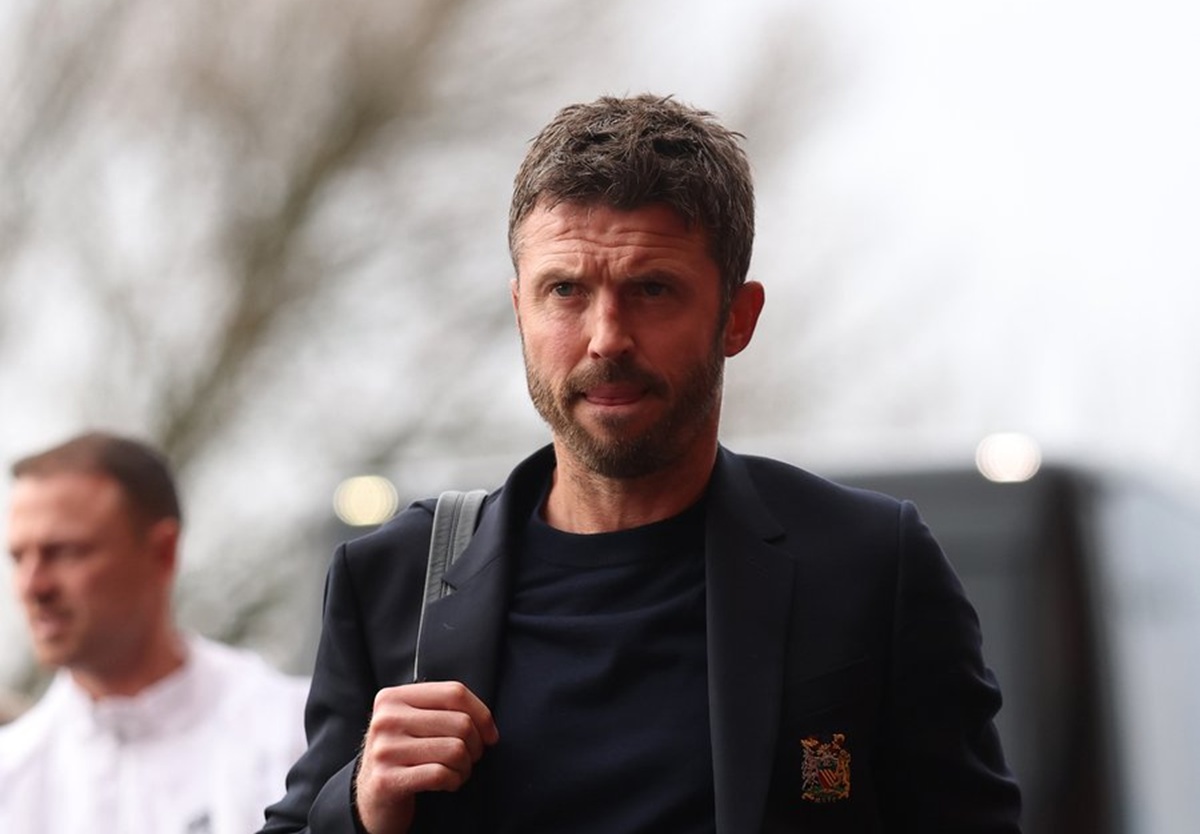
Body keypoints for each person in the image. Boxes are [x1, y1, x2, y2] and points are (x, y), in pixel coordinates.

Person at [261, 94, 1022, 833]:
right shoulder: (392, 581)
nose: (607, 338)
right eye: (566, 290)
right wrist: (360, 807)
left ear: (737, 317)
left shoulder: (869, 566)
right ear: (520, 310)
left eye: (652, 289)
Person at [0, 431, 310, 834]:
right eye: (18, 558)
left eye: (65, 551)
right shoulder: (12, 775)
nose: (33, 586)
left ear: (163, 551)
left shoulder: (294, 735)